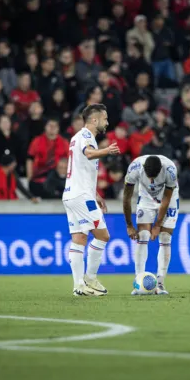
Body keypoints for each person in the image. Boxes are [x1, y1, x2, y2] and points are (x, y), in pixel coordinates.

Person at [62, 104, 120, 296]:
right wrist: (106, 151)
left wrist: (96, 194)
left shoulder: (76, 138)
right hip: (80, 196)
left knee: (79, 239)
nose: (107, 122)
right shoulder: (86, 136)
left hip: (72, 194)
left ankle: (79, 286)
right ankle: (90, 278)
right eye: (104, 119)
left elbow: (82, 169)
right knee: (103, 236)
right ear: (94, 120)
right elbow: (88, 154)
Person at [123, 155, 179, 295]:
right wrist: (129, 225)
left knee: (165, 237)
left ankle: (160, 283)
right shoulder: (134, 169)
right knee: (143, 235)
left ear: (161, 169)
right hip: (146, 197)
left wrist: (157, 225)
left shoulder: (170, 170)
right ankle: (138, 281)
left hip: (168, 198)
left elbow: (166, 199)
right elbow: (127, 198)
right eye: (149, 177)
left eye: (155, 177)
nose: (152, 181)